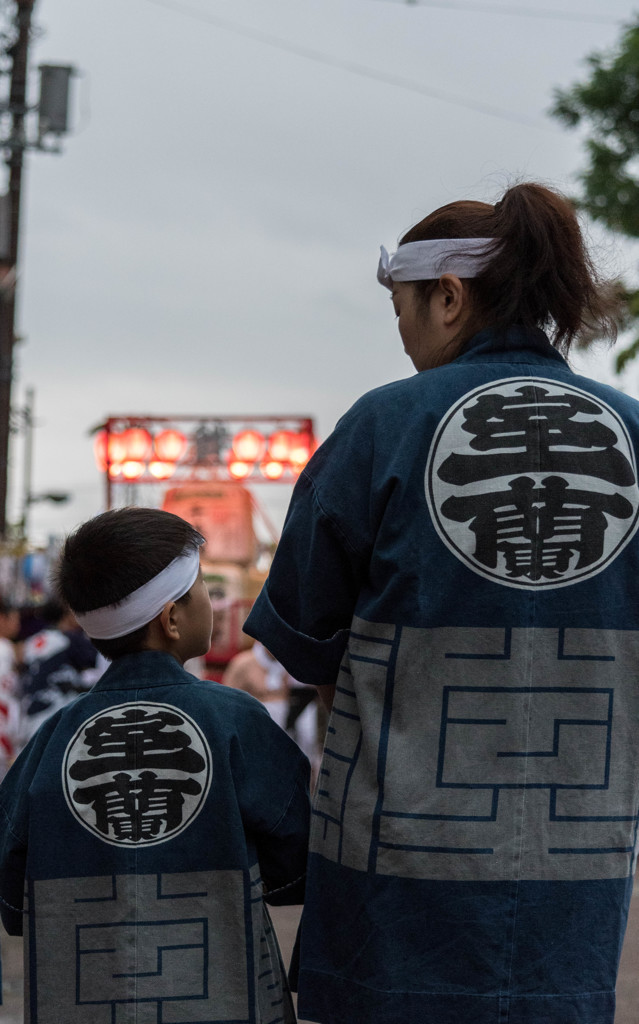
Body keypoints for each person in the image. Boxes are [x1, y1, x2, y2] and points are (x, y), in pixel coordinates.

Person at [245, 182, 639, 1024]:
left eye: (402, 309)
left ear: (448, 296)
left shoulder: (384, 425)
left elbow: (306, 637)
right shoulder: (633, 433)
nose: (402, 331)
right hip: (572, 885)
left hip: (395, 877)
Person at [0, 506, 310, 1023]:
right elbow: (294, 865)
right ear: (171, 619)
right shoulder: (235, 720)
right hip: (226, 1000)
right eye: (202, 592)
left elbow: (13, 902)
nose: (212, 604)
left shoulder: (49, 741)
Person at [18, 597, 105, 746]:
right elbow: (97, 664)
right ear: (66, 615)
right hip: (56, 713)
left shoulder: (33, 641)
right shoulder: (70, 640)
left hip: (29, 715)